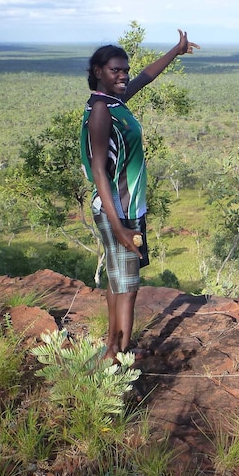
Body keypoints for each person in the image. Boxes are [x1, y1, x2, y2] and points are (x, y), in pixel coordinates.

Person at [80, 29, 199, 361]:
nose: (123, 75)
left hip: (120, 205)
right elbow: (99, 169)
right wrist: (120, 228)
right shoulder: (103, 111)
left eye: (124, 69)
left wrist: (176, 51)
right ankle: (119, 354)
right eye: (115, 70)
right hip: (119, 207)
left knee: (118, 280)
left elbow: (145, 77)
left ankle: (112, 348)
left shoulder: (111, 102)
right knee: (128, 287)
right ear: (97, 73)